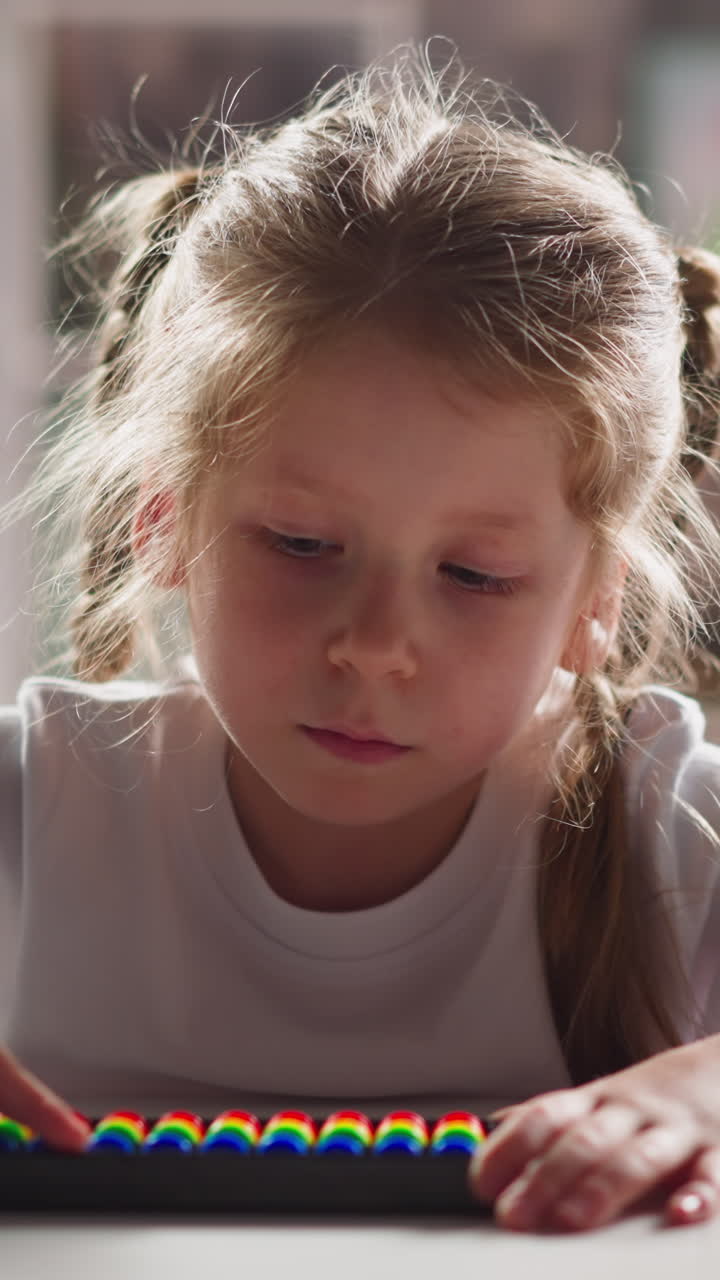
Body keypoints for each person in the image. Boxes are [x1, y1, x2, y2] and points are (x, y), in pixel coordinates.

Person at [1, 44, 720, 1236]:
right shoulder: (42, 802)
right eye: (299, 543)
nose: (376, 646)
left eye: (476, 575)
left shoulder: (669, 827)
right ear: (164, 523)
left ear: (597, 599)